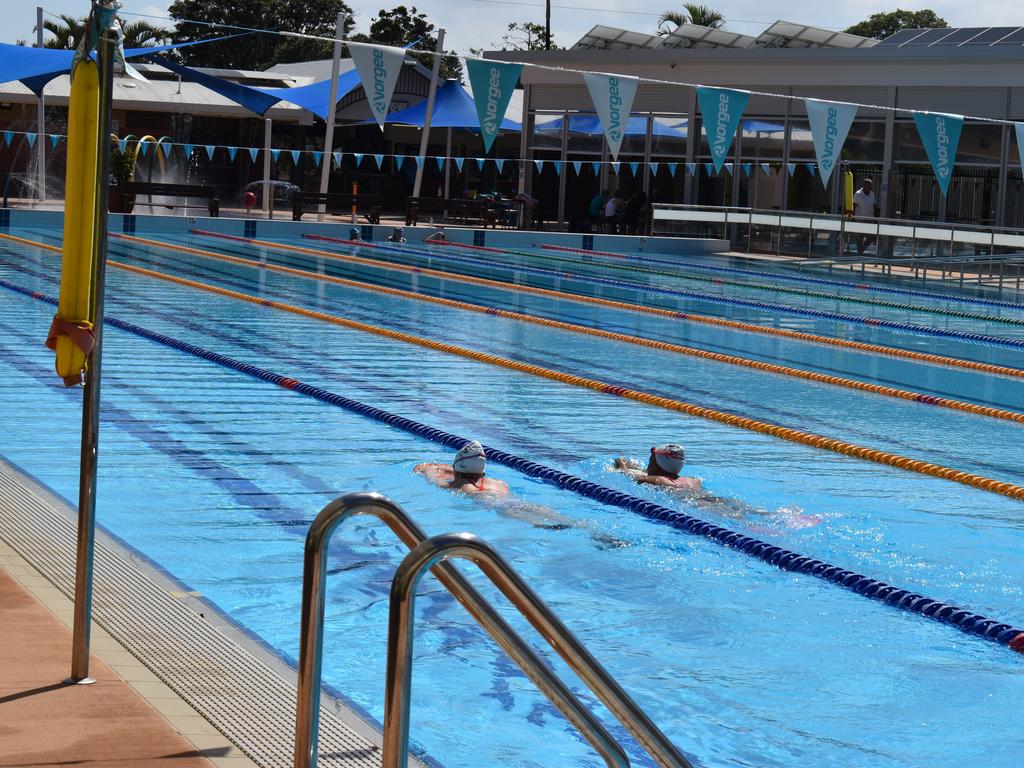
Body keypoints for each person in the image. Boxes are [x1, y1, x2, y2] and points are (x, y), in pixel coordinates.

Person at [415, 441, 630, 546]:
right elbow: (467, 470)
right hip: (516, 501)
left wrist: (426, 467)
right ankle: (596, 533)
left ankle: (584, 534)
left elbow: (429, 471)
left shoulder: (460, 487)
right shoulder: (497, 482)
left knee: (543, 525)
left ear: (458, 467)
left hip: (501, 508)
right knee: (564, 519)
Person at [415, 441, 509, 495]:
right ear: (482, 473)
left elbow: (429, 474)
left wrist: (424, 469)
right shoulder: (499, 483)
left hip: (493, 503)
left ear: (456, 468)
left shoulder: (458, 485)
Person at [612, 444, 702, 492]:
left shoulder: (657, 479)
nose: (648, 465)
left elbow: (627, 474)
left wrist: (620, 462)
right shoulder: (693, 481)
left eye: (650, 461)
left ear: (657, 464)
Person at [852, 178, 878, 255]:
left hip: (870, 220)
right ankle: (859, 255)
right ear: (864, 186)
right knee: (859, 239)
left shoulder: (872, 194)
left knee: (872, 237)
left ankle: (860, 252)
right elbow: (853, 206)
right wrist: (852, 219)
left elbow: (874, 206)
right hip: (860, 220)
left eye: (871, 186)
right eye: (869, 185)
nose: (871, 187)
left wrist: (875, 219)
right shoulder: (858, 194)